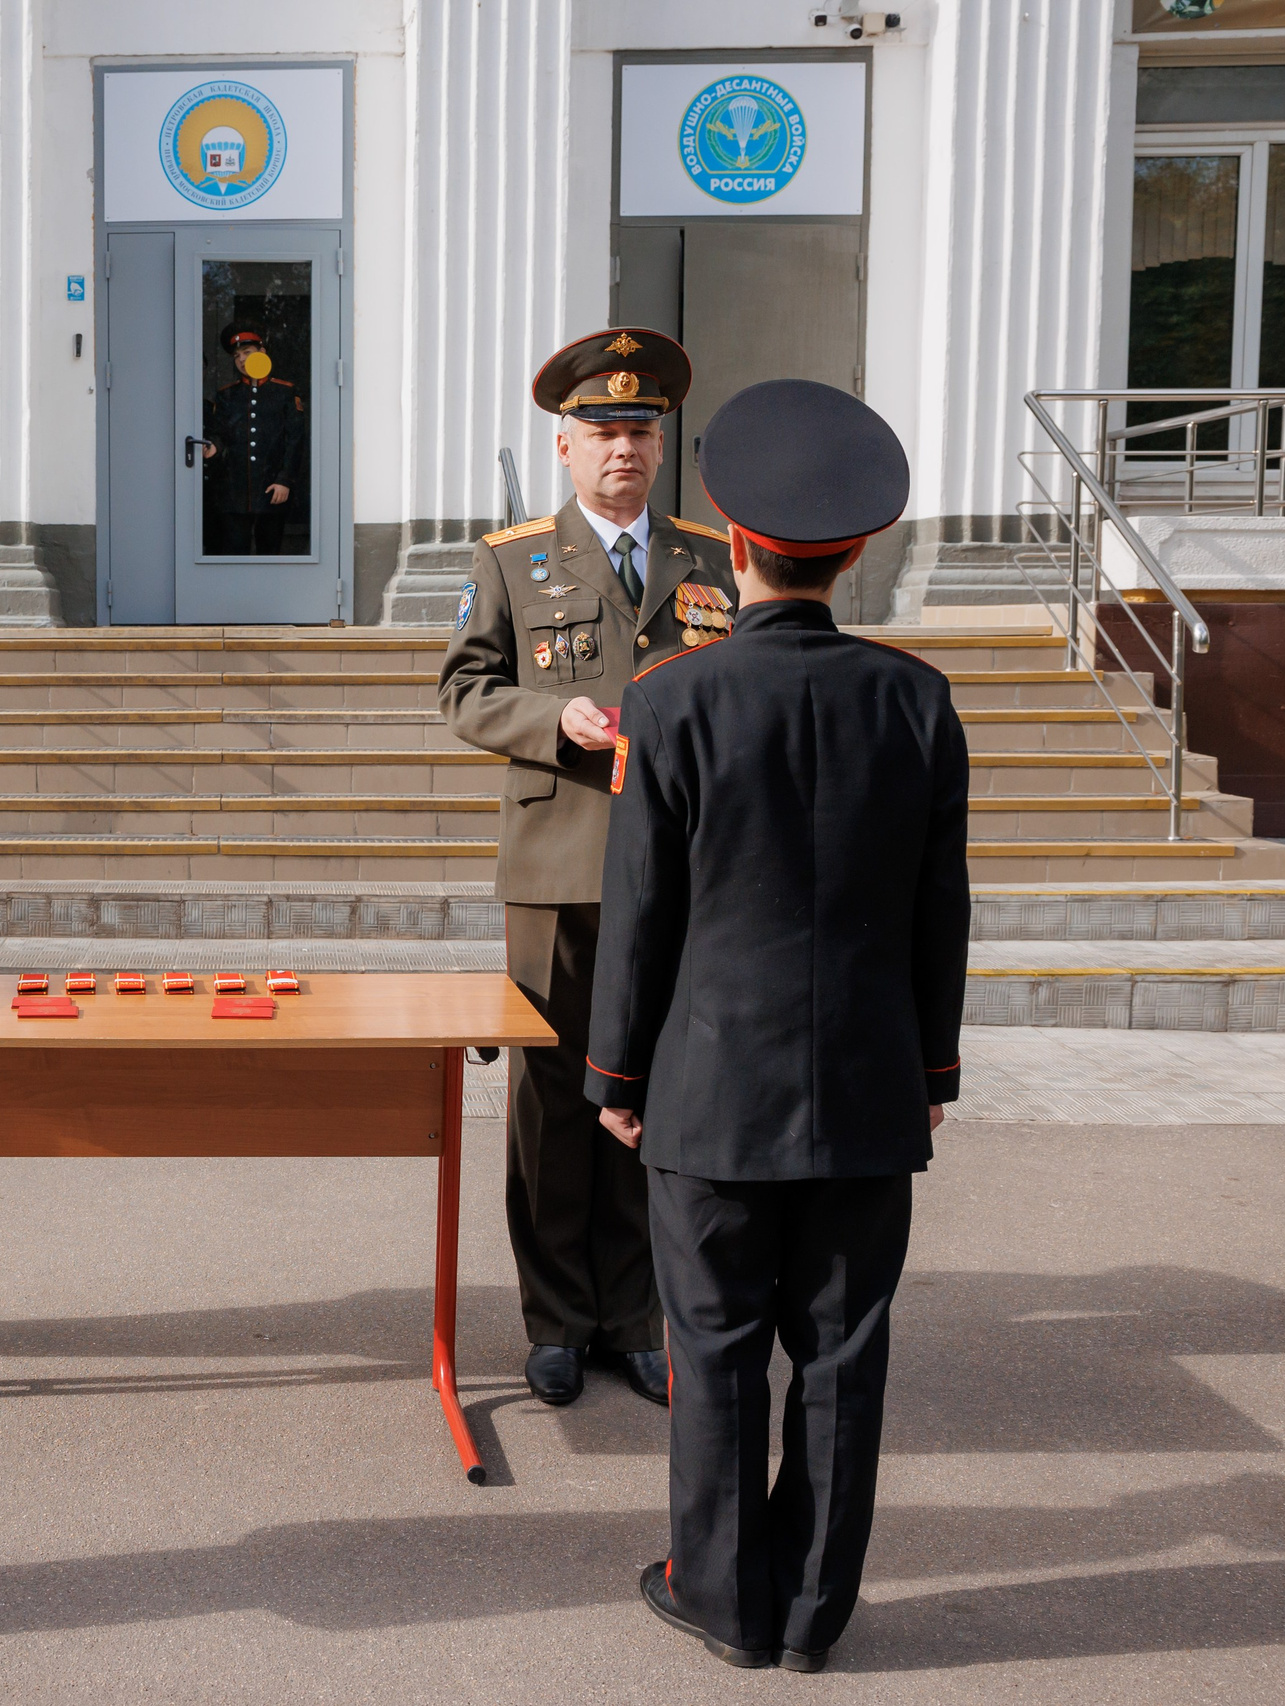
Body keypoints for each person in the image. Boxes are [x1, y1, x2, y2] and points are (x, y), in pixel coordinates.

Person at [582, 378, 971, 1672]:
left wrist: (615, 1073)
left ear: (734, 542)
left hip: (708, 1091)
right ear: (852, 554)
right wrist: (931, 1068)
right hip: (865, 1087)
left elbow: (641, 911)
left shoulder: (672, 699)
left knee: (716, 1348)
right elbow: (940, 909)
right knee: (844, 1354)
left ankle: (723, 1598)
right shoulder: (916, 699)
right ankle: (813, 1612)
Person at [439, 328, 737, 1409]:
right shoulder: (512, 560)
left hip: (683, 869)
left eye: (641, 430)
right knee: (554, 1098)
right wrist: (549, 718)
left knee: (657, 1091)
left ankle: (639, 1316)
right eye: (603, 430)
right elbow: (464, 690)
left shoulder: (709, 559)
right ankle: (558, 1319)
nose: (624, 448)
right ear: (563, 445)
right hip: (559, 863)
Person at [202, 321, 306, 556]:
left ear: (262, 352)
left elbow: (295, 441)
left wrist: (285, 480)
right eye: (236, 355)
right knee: (234, 550)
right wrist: (214, 446)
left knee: (269, 550)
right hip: (234, 490)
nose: (241, 359)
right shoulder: (227, 395)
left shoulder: (285, 392)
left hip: (273, 488)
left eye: (247, 352)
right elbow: (221, 433)